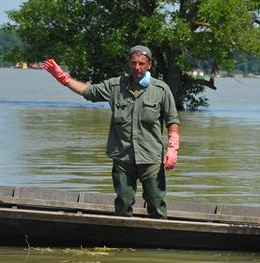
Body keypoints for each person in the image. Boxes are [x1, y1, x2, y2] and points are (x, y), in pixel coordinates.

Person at [43, 45, 180, 219]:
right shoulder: (115, 86)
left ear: (149, 65)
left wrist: (172, 148)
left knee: (156, 202)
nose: (137, 67)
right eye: (133, 63)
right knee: (123, 202)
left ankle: (159, 238)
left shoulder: (161, 89)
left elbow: (172, 120)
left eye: (141, 64)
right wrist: (62, 77)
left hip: (151, 158)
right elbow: (88, 91)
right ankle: (124, 241)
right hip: (123, 158)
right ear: (128, 64)